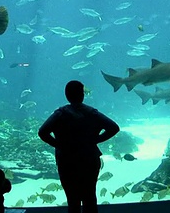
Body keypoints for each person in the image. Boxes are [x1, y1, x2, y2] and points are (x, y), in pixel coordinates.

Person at [38, 80, 120, 213]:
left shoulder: (60, 114)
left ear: (66, 95)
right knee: (90, 197)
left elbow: (42, 132)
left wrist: (59, 145)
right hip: (89, 159)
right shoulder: (92, 113)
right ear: (82, 95)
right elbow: (114, 127)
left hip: (67, 160)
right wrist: (96, 140)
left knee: (72, 200)